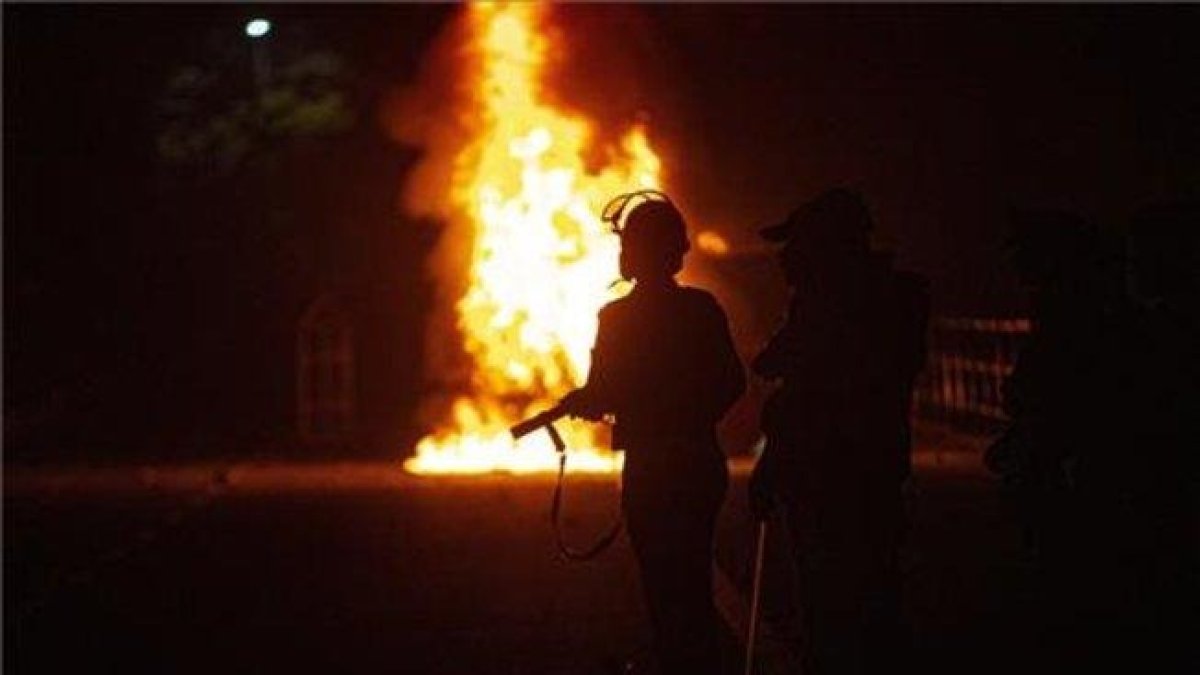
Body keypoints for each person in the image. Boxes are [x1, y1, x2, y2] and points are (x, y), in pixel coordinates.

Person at [558, 191, 746, 675]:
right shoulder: (703, 308)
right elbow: (731, 383)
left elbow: (604, 391)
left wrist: (589, 402)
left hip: (651, 465)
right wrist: (691, 416)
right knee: (693, 577)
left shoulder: (616, 317)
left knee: (663, 582)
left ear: (631, 253)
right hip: (700, 461)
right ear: (678, 251)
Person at [749, 188, 928, 675]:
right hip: (865, 468)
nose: (787, 258)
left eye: (800, 244)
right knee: (864, 598)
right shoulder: (887, 298)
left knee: (840, 605)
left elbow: (787, 375)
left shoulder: (838, 306)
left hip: (834, 474)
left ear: (831, 245)